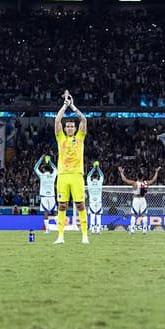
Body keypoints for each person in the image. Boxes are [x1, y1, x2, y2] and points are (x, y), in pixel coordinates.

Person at [53, 92, 89, 245]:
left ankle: (85, 236)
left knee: (80, 204)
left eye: (71, 126)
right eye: (67, 126)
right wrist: (64, 105)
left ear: (74, 128)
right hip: (62, 175)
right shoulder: (60, 137)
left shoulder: (80, 137)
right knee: (62, 205)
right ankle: (60, 236)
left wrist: (73, 106)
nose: (68, 128)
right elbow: (56, 120)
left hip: (76, 175)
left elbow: (84, 119)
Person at [120, 166, 160, 235]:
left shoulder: (134, 183)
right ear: (142, 177)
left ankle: (132, 230)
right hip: (143, 199)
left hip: (136, 199)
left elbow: (125, 180)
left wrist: (121, 173)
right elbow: (153, 180)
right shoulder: (145, 183)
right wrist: (156, 172)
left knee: (133, 215)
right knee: (144, 215)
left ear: (137, 177)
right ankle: (144, 230)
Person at [34, 154, 57, 234]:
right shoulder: (53, 175)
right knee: (54, 212)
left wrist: (41, 159)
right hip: (52, 196)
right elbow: (55, 168)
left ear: (43, 170)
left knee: (45, 212)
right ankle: (59, 227)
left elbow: (35, 168)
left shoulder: (42, 176)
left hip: (44, 196)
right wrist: (49, 161)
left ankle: (47, 230)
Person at [86, 161, 105, 235]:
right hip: (99, 202)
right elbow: (102, 175)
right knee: (98, 215)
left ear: (92, 178)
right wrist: (98, 168)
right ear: (97, 177)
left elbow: (88, 176)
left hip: (92, 202)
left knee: (92, 215)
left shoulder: (90, 183)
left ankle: (93, 230)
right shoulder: (99, 182)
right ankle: (98, 230)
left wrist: (94, 168)